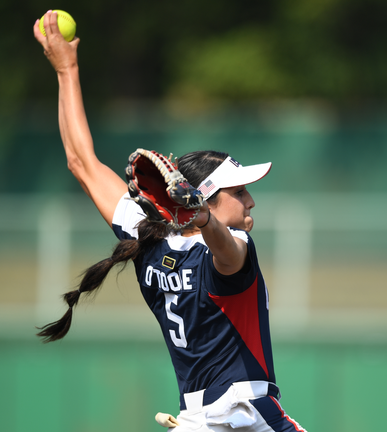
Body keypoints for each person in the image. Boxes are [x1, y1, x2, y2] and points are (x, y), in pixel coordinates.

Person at [33, 11, 307, 432]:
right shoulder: (229, 250)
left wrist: (66, 70)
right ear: (204, 202)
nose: (250, 200)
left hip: (198, 421)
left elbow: (81, 162)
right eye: (237, 192)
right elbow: (224, 249)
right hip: (246, 418)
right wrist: (206, 221)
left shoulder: (148, 237)